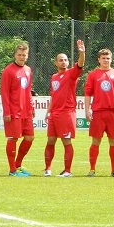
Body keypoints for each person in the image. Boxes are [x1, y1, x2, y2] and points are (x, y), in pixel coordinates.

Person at [84, 48, 114, 177]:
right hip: (98, 112)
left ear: (111, 59)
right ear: (99, 60)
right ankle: (92, 170)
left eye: (108, 58)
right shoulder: (93, 75)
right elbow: (88, 94)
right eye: (103, 58)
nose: (106, 60)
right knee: (95, 141)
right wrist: (87, 110)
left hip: (113, 113)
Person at [44, 40, 85, 177]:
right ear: (55, 63)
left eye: (65, 60)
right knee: (50, 140)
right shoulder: (54, 77)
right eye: (61, 60)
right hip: (54, 114)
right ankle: (48, 169)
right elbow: (53, 96)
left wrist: (82, 53)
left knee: (66, 141)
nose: (63, 62)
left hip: (66, 113)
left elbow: (80, 64)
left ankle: (67, 171)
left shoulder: (71, 74)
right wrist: (48, 112)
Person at [0, 42, 34, 176]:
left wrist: (31, 106)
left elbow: (28, 90)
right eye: (19, 55)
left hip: (26, 111)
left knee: (30, 138)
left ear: (27, 55)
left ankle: (18, 164)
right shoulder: (8, 71)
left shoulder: (28, 70)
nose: (21, 57)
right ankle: (12, 170)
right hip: (14, 111)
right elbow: (4, 93)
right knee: (13, 138)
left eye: (24, 55)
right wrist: (7, 111)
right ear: (15, 55)